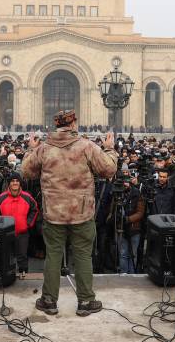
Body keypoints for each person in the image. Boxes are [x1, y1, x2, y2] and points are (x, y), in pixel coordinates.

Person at [21, 109, 117, 316]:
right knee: (83, 256)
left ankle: (49, 301)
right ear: (73, 124)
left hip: (53, 214)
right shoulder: (87, 146)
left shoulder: (45, 149)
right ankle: (85, 302)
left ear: (56, 125)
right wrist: (109, 149)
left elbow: (26, 171)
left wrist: (31, 149)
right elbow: (109, 170)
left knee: (53, 255)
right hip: (81, 213)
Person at [0, 172, 39, 275]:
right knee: (6, 255)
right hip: (6, 234)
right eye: (12, 181)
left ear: (20, 183)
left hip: (22, 232)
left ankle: (24, 274)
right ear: (9, 183)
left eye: (17, 181)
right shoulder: (2, 197)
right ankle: (7, 276)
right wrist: (0, 224)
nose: (15, 183)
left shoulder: (27, 197)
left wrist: (28, 223)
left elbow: (35, 209)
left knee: (22, 255)